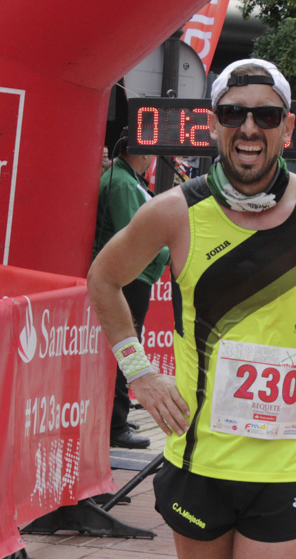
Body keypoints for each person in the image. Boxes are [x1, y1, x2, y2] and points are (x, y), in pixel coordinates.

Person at [88, 58, 296, 559]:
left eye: (266, 116)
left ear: (287, 128)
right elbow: (104, 278)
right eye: (233, 113)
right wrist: (139, 373)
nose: (249, 128)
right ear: (215, 122)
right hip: (201, 460)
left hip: (287, 465)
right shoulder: (175, 211)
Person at [92, 132, 166, 450]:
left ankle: (116, 418)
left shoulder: (125, 179)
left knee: (124, 348)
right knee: (125, 349)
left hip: (134, 275)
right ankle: (115, 425)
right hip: (127, 278)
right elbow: (134, 237)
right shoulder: (122, 182)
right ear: (144, 154)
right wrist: (167, 251)